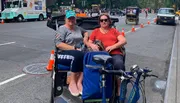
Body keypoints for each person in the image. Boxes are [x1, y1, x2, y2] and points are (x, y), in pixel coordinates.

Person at [88, 13, 127, 102]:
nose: (104, 22)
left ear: (109, 21)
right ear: (99, 22)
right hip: (100, 54)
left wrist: (112, 47)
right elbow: (89, 42)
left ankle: (119, 88)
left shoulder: (114, 31)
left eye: (106, 20)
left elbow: (124, 40)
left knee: (119, 64)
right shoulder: (96, 31)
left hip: (114, 53)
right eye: (102, 20)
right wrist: (92, 45)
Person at [55, 10, 89, 96]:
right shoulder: (62, 29)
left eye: (73, 18)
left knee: (88, 56)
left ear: (75, 19)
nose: (71, 20)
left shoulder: (77, 28)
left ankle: (79, 82)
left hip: (78, 53)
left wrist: (85, 38)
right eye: (69, 18)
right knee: (78, 55)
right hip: (63, 54)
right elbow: (58, 44)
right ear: (65, 19)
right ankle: (72, 82)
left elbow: (86, 32)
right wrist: (73, 48)